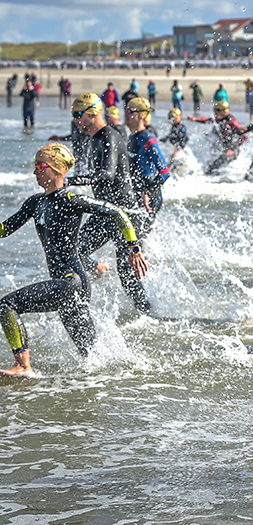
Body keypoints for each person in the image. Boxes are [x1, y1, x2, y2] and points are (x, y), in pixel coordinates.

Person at [0, 143, 148, 377]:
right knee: (92, 359)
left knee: (6, 306)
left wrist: (134, 247)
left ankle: (23, 365)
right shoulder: (35, 203)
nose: (35, 172)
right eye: (35, 167)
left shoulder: (71, 199)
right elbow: (5, 229)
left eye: (40, 166)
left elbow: (117, 212)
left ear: (57, 170)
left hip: (73, 283)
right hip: (65, 284)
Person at [67, 93, 152, 315]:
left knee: (128, 279)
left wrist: (69, 181)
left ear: (93, 113)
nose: (75, 120)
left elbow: (107, 174)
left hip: (125, 216)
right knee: (72, 251)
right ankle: (98, 269)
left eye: (78, 114)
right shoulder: (94, 138)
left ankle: (149, 317)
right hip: (106, 213)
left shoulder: (109, 137)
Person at [125, 97, 170, 220]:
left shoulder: (148, 139)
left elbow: (165, 172)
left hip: (149, 198)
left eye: (130, 111)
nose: (126, 114)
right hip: (137, 193)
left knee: (141, 237)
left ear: (140, 116)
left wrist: (147, 192)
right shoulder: (131, 137)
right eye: (126, 109)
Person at [187, 100, 247, 176]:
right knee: (213, 168)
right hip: (224, 149)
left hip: (231, 151)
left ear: (225, 111)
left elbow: (244, 136)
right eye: (215, 110)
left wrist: (232, 149)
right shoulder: (219, 119)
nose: (215, 112)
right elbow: (207, 120)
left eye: (218, 110)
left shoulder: (232, 121)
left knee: (212, 169)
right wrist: (195, 119)